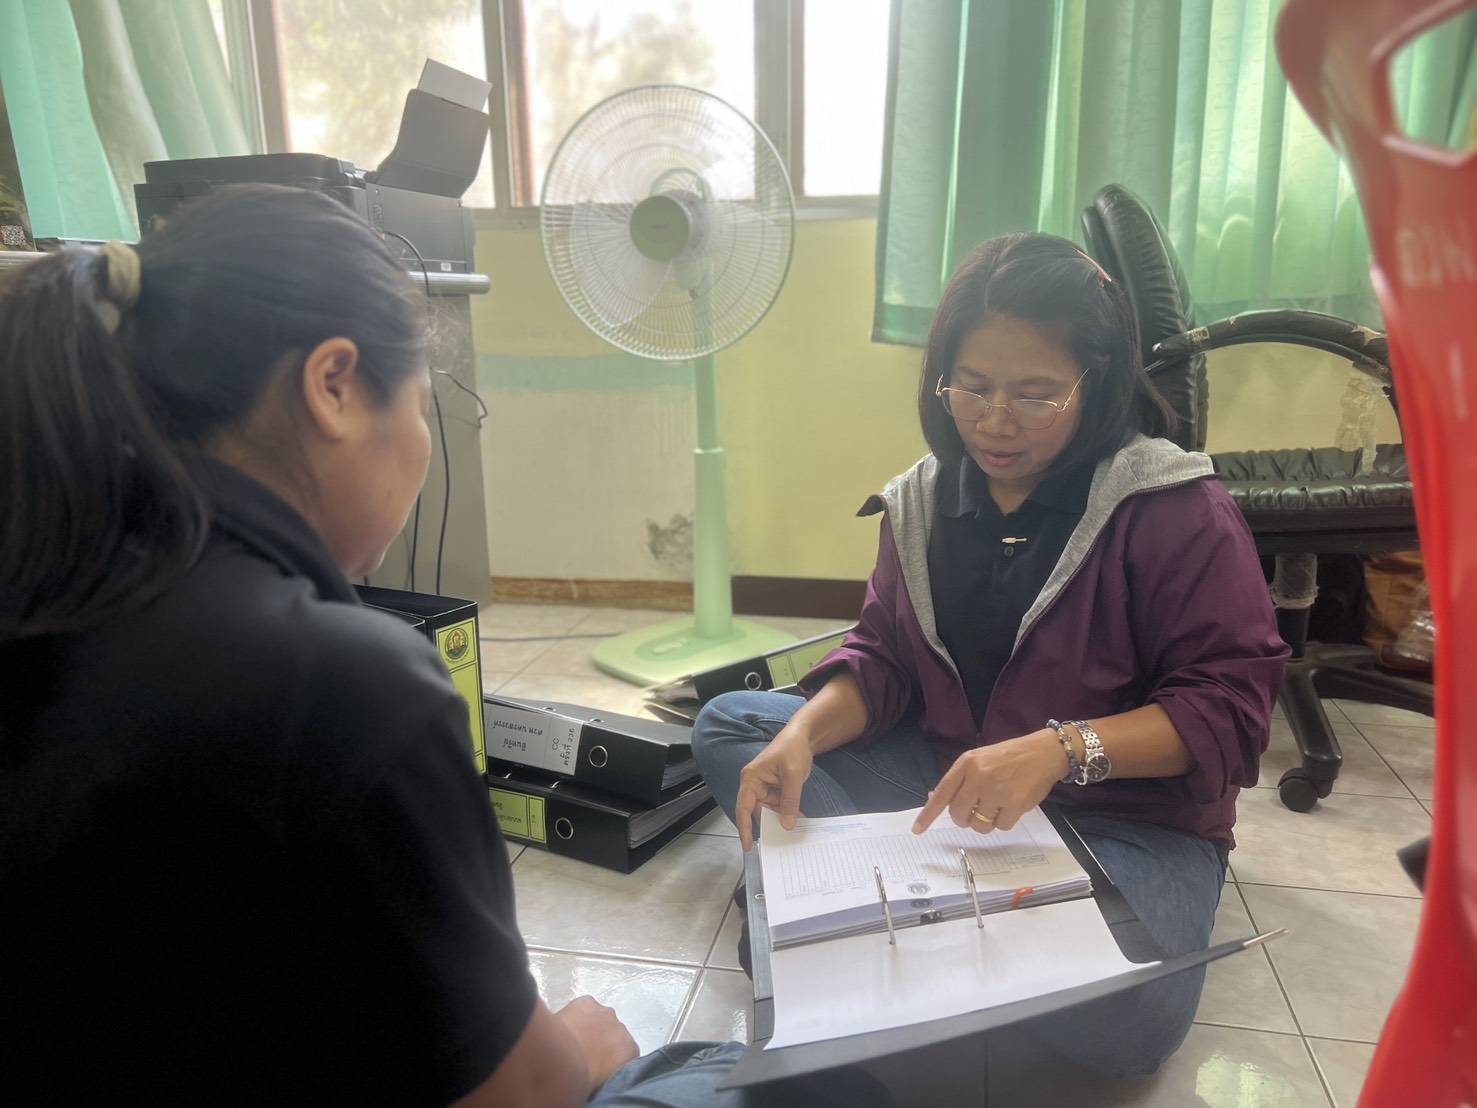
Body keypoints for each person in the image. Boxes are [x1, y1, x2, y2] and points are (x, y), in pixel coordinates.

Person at [0, 184, 829, 1107]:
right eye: (422, 406)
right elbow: (520, 1093)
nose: (423, 444)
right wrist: (575, 1047)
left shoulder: (42, 590)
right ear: (334, 386)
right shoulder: (345, 683)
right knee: (783, 1078)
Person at [692, 232, 1290, 1078]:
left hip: (1126, 824)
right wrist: (804, 736)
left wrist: (1061, 749)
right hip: (950, 792)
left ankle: (849, 929)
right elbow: (884, 659)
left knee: (1129, 1020)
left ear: (1096, 382)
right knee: (739, 724)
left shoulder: (1172, 508)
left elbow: (1229, 710)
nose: (995, 421)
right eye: (970, 387)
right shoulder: (922, 501)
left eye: (1035, 395)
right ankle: (868, 908)